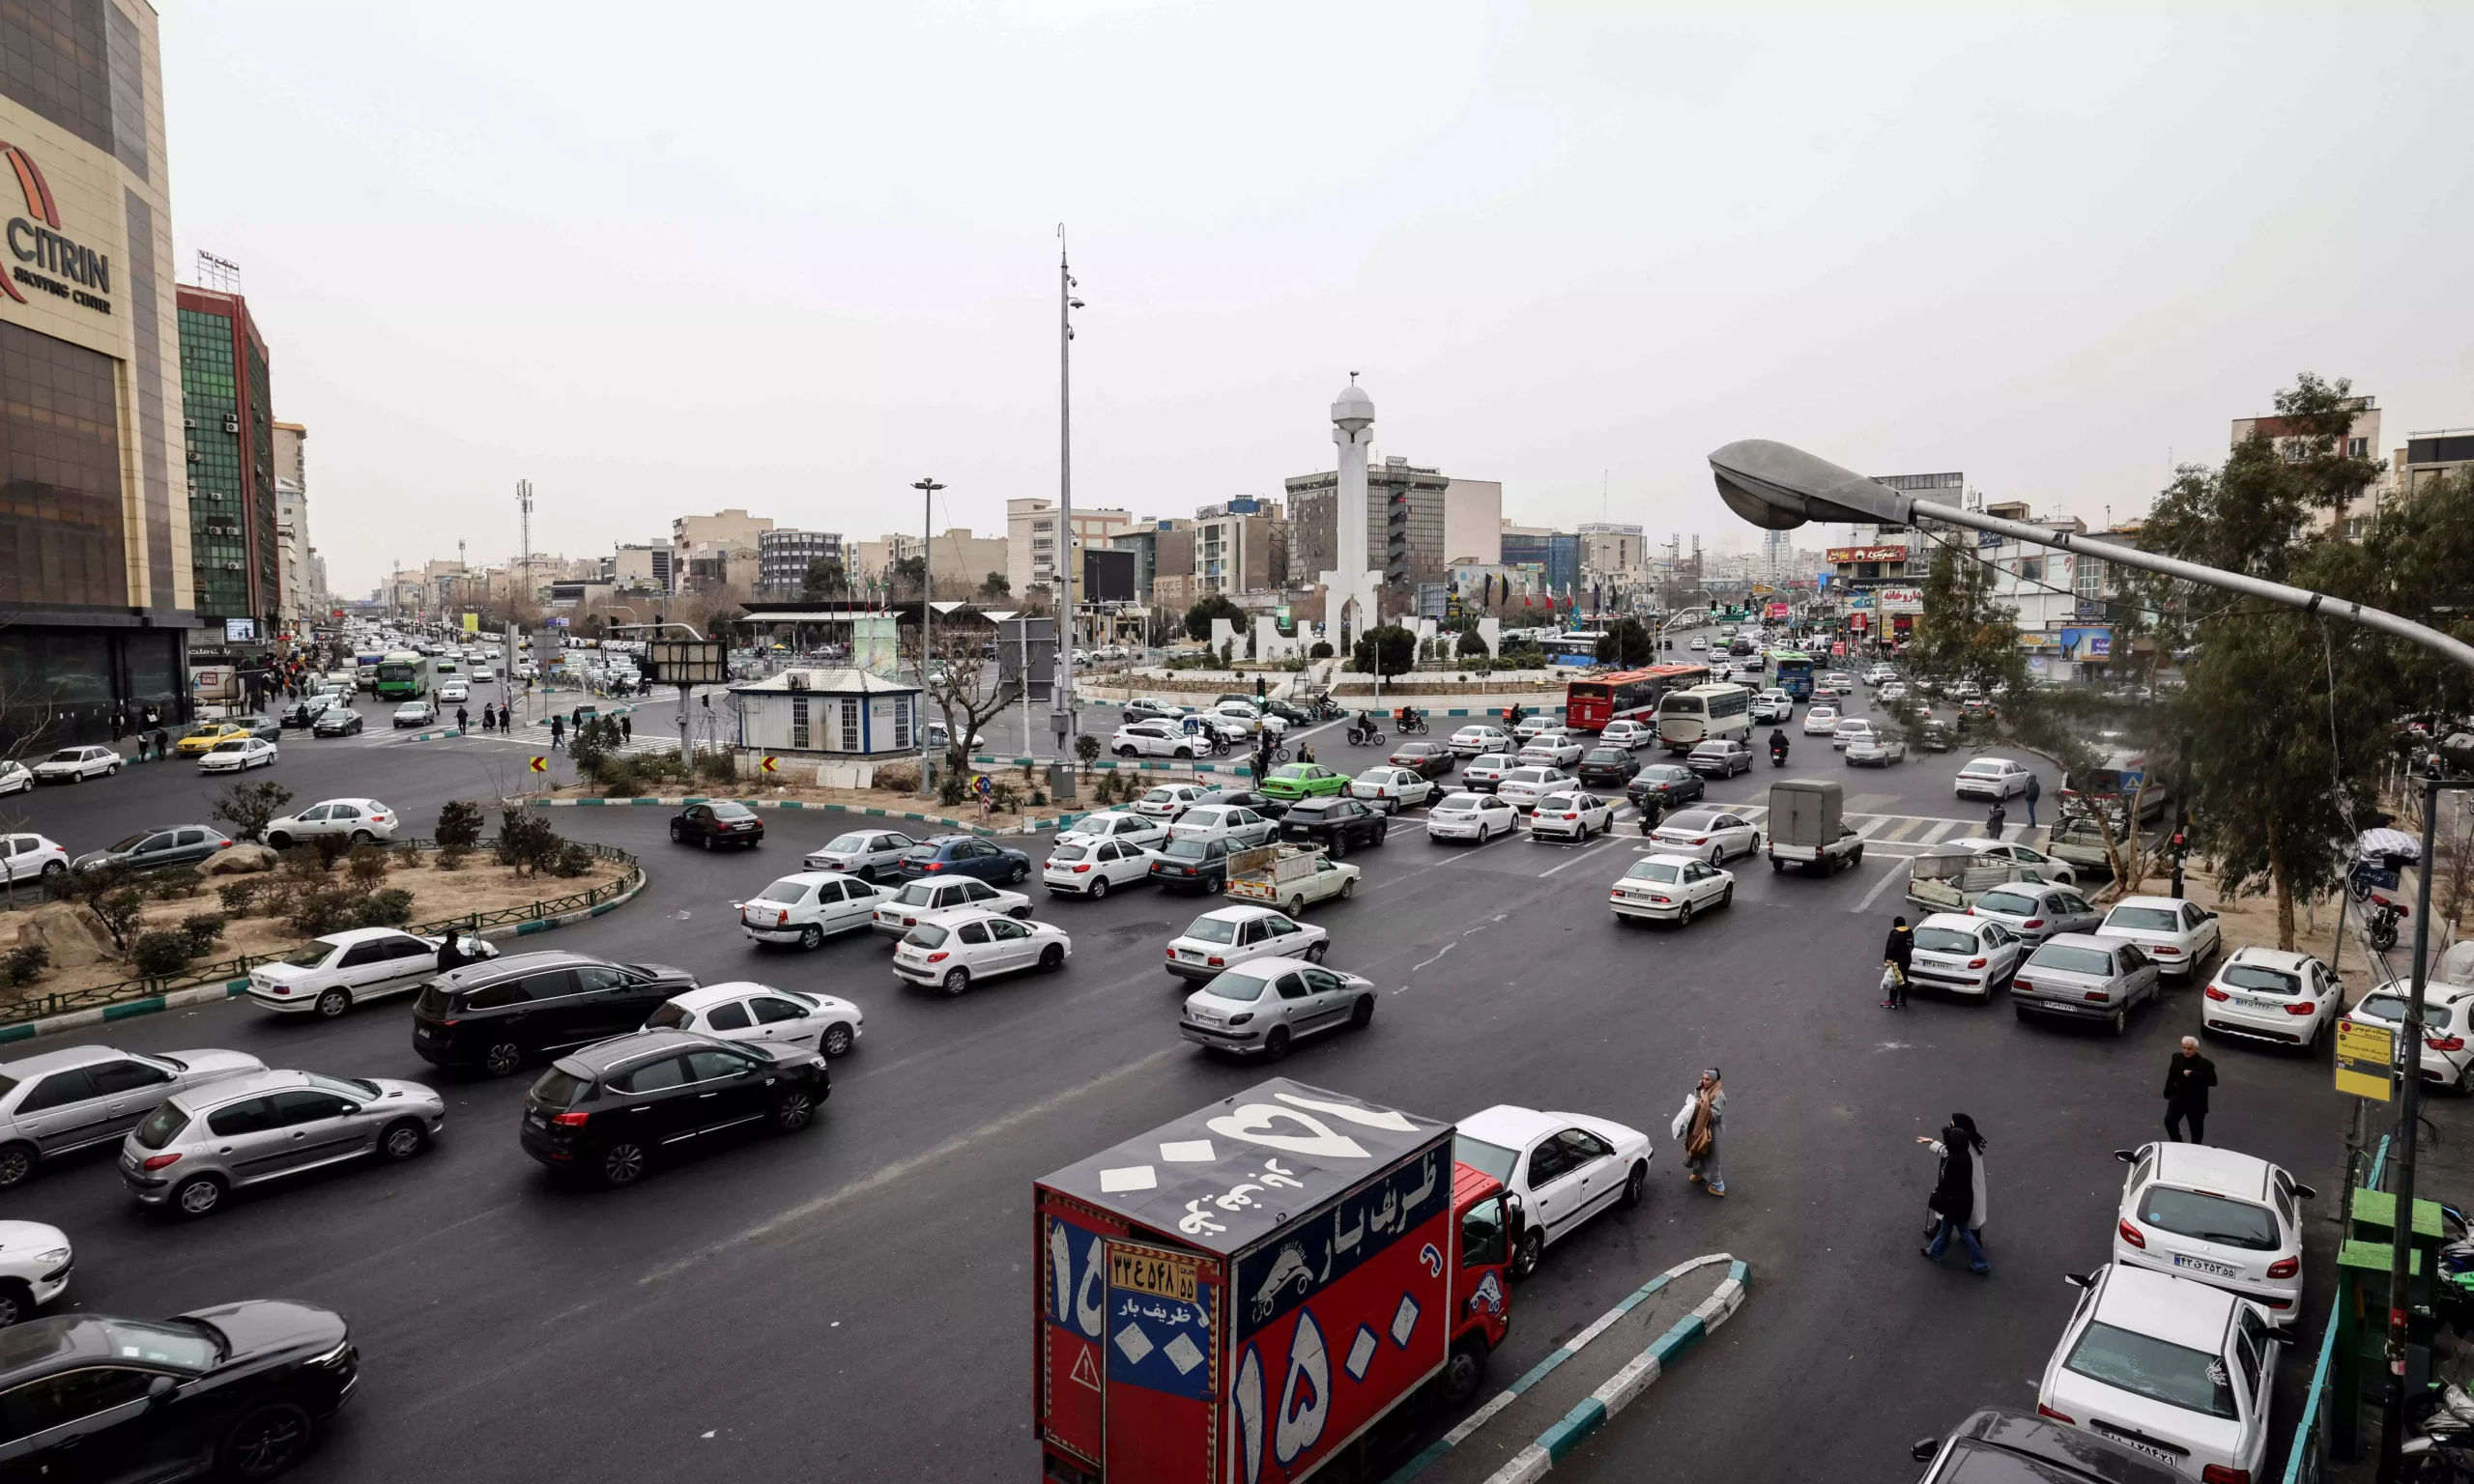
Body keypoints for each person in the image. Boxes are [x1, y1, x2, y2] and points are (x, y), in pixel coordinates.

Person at [1917, 1114, 1991, 1273]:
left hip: (1954, 1203)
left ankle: (1979, 1261)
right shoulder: (1967, 1151)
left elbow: (1948, 1180)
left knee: (1954, 1229)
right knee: (1953, 1228)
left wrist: (1938, 1193)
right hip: (1964, 1200)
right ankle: (1935, 1251)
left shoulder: (1955, 1159)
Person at [1669, 1069, 1726, 1196]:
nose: (1705, 1081)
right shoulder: (1704, 1090)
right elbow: (1696, 1101)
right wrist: (1698, 1091)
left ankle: (1718, 1186)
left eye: (1708, 1079)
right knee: (1696, 1148)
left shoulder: (1718, 1094)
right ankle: (1698, 1173)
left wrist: (1702, 1106)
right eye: (1704, 1079)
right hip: (1701, 1126)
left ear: (1714, 1080)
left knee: (1711, 1156)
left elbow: (1716, 1114)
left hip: (1712, 1129)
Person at [2163, 1036, 2216, 1143]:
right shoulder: (2176, 1058)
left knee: (2196, 1131)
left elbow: (2212, 1082)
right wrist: (2168, 1091)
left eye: (2189, 1048)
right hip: (2178, 1097)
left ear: (2196, 1049)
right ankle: (2177, 1143)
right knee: (2169, 1121)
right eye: (2184, 1048)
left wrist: (2193, 1075)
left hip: (2196, 1102)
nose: (2186, 1051)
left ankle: (2195, 1150)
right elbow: (2172, 1076)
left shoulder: (2206, 1064)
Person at [1882, 915, 1914, 1009]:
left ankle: (1892, 1001)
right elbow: (1912, 946)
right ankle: (1902, 1000)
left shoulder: (1896, 934)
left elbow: (1891, 948)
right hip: (1907, 960)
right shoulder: (1909, 932)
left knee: (1894, 980)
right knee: (1903, 979)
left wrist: (1889, 961)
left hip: (1895, 962)